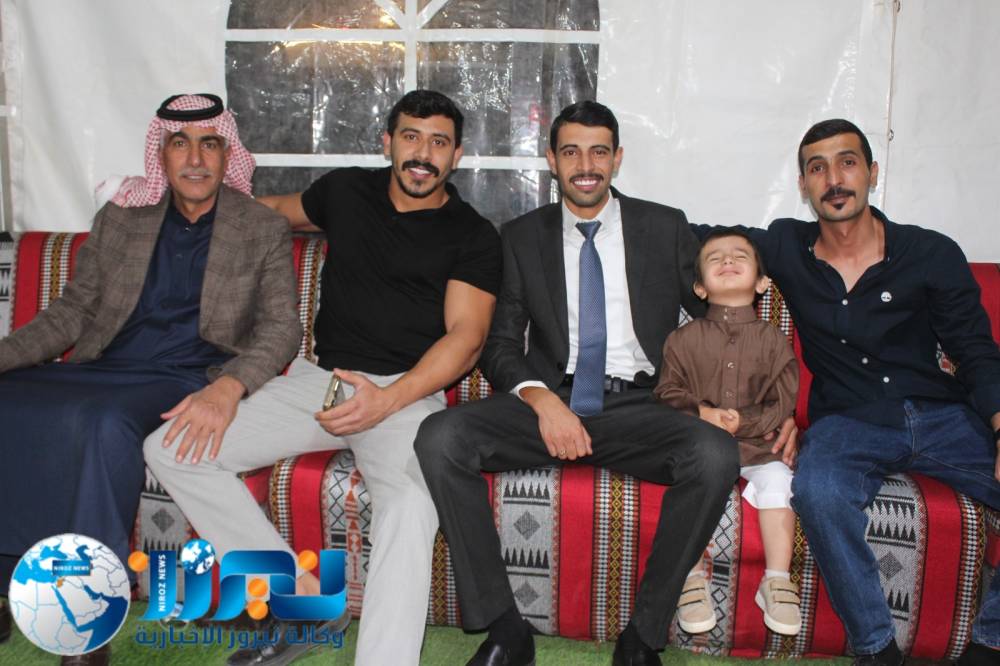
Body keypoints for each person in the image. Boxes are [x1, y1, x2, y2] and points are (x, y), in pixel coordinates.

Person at [144, 89, 501, 666]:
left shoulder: (473, 234)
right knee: (170, 448)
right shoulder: (346, 192)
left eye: (439, 142)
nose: (423, 154)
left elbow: (467, 339)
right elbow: (264, 211)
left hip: (406, 395)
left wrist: (388, 400)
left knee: (412, 504)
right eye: (411, 137)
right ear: (388, 143)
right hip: (321, 381)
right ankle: (303, 603)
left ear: (456, 155)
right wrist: (179, 195)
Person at [413, 100, 744, 666]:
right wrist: (542, 401)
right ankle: (505, 629)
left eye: (598, 152)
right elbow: (499, 345)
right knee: (440, 438)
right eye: (571, 152)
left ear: (617, 158)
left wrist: (725, 404)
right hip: (553, 400)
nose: (585, 165)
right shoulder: (520, 236)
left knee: (715, 454)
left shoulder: (664, 226)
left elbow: (718, 318)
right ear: (551, 160)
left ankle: (642, 637)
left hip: (643, 404)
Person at [0, 93, 302, 665]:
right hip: (105, 368)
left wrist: (230, 386)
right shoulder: (122, 218)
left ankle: (88, 622)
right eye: (180, 144)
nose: (196, 159)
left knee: (103, 423)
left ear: (227, 154)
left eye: (210, 144)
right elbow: (72, 312)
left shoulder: (260, 227)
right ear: (160, 155)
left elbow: (282, 328)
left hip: (187, 375)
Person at [743, 118, 1000, 666]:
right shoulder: (785, 245)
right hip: (849, 421)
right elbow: (692, 237)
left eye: (847, 163)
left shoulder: (929, 252)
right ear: (803, 185)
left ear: (872, 172)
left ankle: (990, 644)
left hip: (941, 416)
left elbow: (975, 351)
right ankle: (877, 649)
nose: (834, 179)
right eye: (818, 168)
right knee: (818, 490)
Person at [654, 229, 800, 636]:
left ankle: (777, 580)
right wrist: (702, 412)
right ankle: (690, 577)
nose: (727, 260)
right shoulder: (681, 340)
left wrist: (744, 422)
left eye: (740, 255)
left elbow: (784, 399)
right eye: (715, 258)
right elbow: (667, 390)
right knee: (691, 481)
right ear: (700, 288)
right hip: (701, 446)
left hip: (758, 446)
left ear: (762, 283)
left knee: (779, 479)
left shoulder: (774, 340)